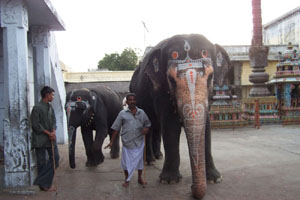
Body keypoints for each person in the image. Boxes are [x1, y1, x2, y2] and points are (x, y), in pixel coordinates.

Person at [105, 93, 151, 187]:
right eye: (130, 100)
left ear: (136, 101)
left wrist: (146, 128)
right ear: (127, 101)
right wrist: (111, 142)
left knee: (140, 163)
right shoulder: (122, 114)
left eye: (134, 100)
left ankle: (140, 178)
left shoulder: (141, 113)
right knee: (126, 164)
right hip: (127, 142)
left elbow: (148, 123)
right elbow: (116, 128)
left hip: (139, 142)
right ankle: (127, 179)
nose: (132, 101)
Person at [30, 86, 59, 192]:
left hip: (51, 138)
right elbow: (35, 125)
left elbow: (54, 121)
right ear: (47, 95)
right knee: (41, 162)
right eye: (52, 95)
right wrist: (48, 133)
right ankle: (44, 185)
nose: (53, 97)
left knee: (56, 159)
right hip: (40, 139)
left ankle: (41, 181)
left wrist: (53, 132)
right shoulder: (37, 108)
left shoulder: (50, 107)